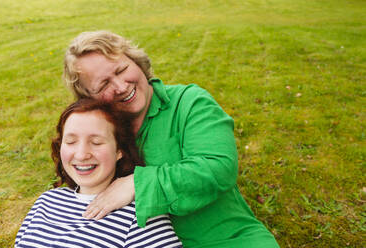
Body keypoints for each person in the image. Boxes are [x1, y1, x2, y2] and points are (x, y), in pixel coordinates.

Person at [63, 30, 280, 248]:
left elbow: (219, 167)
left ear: (137, 62)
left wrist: (136, 184)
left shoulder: (190, 103)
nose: (121, 87)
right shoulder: (99, 133)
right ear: (89, 99)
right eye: (103, 85)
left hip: (226, 240)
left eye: (121, 70)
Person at [15, 99, 183, 248]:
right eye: (71, 141)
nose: (81, 154)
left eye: (96, 142)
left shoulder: (139, 214)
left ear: (119, 150)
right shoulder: (45, 202)